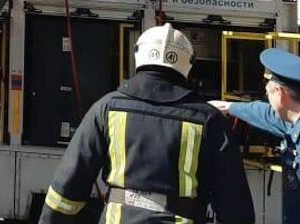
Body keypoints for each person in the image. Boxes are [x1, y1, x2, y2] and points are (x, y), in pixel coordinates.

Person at [41, 24, 252, 224]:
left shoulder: (107, 108)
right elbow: (234, 205)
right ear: (189, 62)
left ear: (137, 54)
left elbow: (68, 185)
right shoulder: (209, 120)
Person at [211, 48, 300, 224]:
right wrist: (229, 107)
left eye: (268, 92)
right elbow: (265, 114)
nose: (267, 97)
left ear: (280, 94)